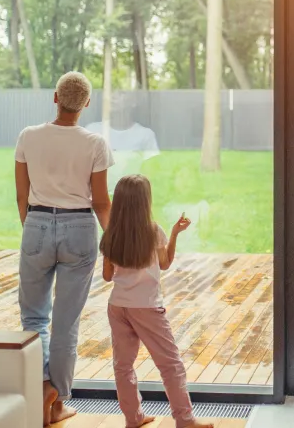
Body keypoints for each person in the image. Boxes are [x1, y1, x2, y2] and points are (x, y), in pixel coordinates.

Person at [16, 71, 113, 425]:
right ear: (86, 103)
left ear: (55, 98)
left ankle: (42, 386)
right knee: (66, 322)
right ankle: (57, 403)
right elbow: (102, 202)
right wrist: (114, 245)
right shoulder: (95, 143)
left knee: (34, 317)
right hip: (79, 228)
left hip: (37, 223)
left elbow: (21, 196)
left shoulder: (28, 136)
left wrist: (33, 227)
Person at [101, 174, 213, 428]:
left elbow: (108, 276)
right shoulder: (154, 231)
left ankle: (133, 418)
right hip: (147, 307)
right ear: (145, 202)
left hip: (118, 306)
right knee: (170, 365)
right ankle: (184, 420)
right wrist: (174, 234)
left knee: (123, 366)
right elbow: (165, 263)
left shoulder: (111, 234)